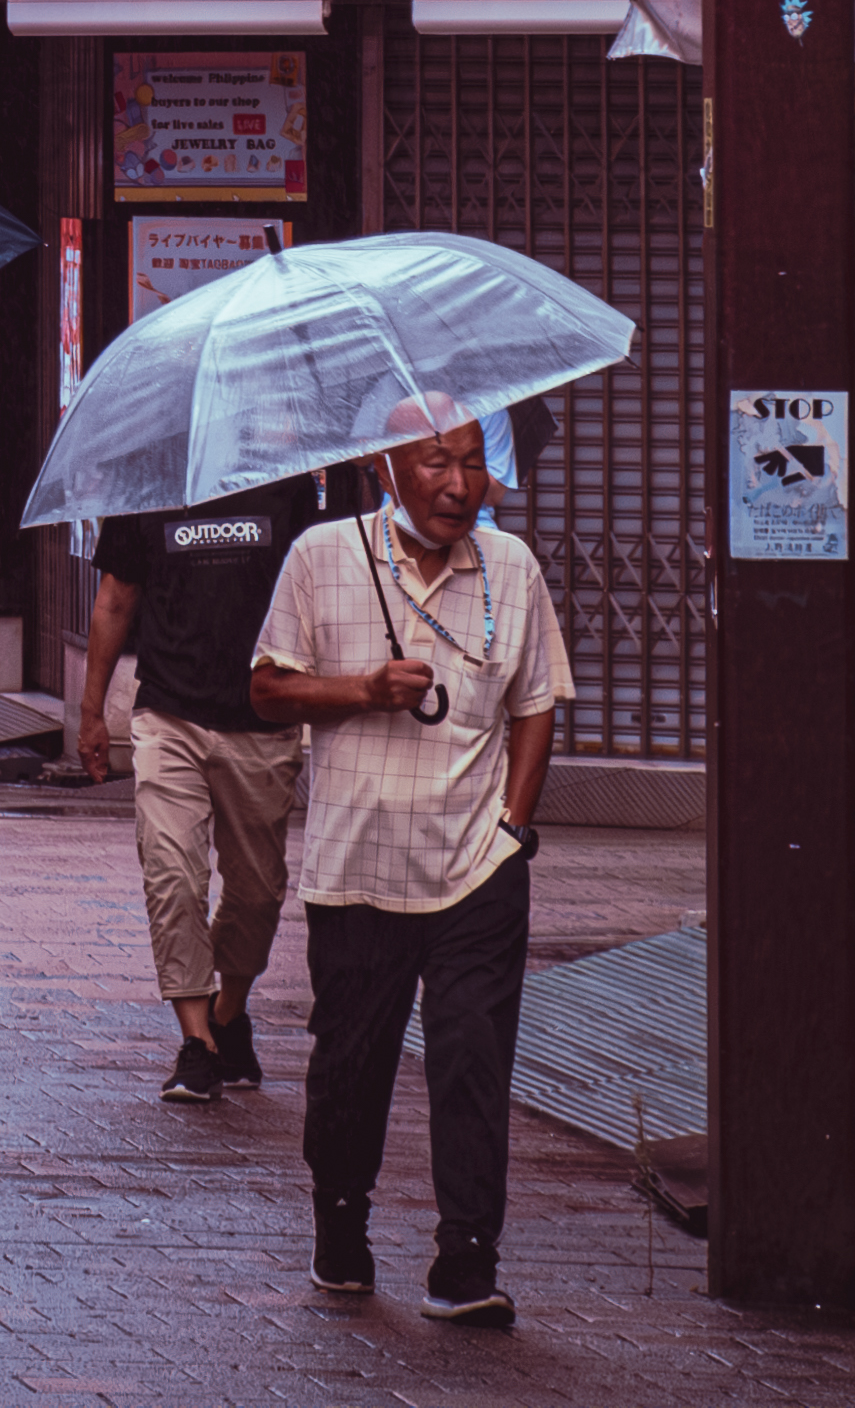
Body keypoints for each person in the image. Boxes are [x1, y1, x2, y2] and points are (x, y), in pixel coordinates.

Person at [248, 406, 572, 1326]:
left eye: (472, 461)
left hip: (476, 867)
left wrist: (513, 827)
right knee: (351, 1065)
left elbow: (537, 699)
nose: (460, 483)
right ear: (384, 465)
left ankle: (467, 1257)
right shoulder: (322, 554)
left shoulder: (511, 567)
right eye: (437, 461)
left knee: (473, 1057)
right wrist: (362, 689)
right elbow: (267, 688)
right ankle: (341, 1222)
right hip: (356, 867)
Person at [75, 469, 330, 1103]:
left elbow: (317, 594)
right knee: (172, 874)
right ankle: (197, 1043)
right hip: (169, 714)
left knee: (257, 890)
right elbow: (115, 599)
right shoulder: (148, 487)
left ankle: (227, 1011)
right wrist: (90, 711)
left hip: (261, 720)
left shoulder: (289, 485)